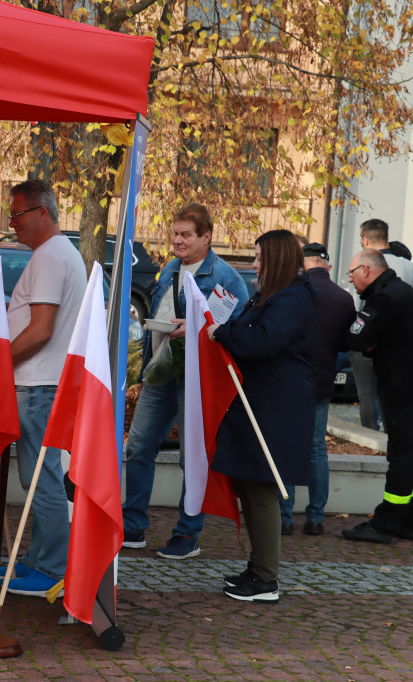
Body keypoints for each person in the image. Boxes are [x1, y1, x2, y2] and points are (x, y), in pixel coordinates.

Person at [121, 203, 249, 558]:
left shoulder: (226, 278)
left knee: (192, 457)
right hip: (162, 374)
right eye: (175, 234)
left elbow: (232, 331)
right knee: (138, 447)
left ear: (206, 237)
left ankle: (187, 535)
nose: (177, 241)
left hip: (198, 381)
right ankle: (132, 526)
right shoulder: (169, 270)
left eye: (185, 235)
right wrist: (146, 370)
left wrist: (194, 331)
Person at [0, 179, 86, 597]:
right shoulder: (58, 254)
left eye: (17, 213)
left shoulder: (49, 258)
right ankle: (40, 560)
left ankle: (52, 567)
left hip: (37, 384)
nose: (11, 222)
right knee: (40, 478)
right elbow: (30, 317)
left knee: (42, 481)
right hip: (39, 383)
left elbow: (40, 330)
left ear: (43, 212)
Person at [209, 229, 315, 602]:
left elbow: (263, 340)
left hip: (276, 405)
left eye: (258, 257)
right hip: (261, 400)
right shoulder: (272, 295)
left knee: (262, 489)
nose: (253, 264)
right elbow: (245, 328)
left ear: (277, 259)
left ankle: (266, 578)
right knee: (249, 485)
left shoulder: (293, 298)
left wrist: (222, 333)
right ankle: (258, 568)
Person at [341, 248, 413, 544]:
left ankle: (387, 522)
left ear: (366, 269)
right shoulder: (402, 291)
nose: (349, 280)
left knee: (402, 457)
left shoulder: (383, 299)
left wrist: (369, 341)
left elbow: (354, 338)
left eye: (351, 273)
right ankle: (410, 521)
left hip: (408, 390)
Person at [279, 243, 355, 536]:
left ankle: (285, 519)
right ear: (329, 267)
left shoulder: (292, 291)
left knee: (286, 446)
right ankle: (315, 518)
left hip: (289, 381)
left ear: (302, 265)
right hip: (322, 381)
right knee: (316, 448)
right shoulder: (343, 298)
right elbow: (346, 345)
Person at [348, 218, 413, 431]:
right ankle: (391, 433)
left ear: (365, 240)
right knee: (388, 389)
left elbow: (356, 302)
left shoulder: (363, 262)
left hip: (369, 331)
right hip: (397, 338)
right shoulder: (406, 264)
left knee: (366, 392)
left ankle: (369, 435)